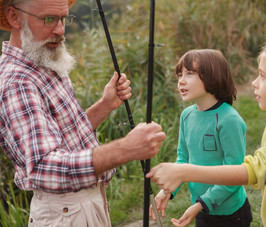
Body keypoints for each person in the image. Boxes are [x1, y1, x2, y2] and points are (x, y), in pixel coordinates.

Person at [147, 32, 266, 227]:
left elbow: (253, 171)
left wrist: (184, 172)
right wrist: (174, 183)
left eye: (262, 76)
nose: (254, 83)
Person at [0, 0, 166, 226]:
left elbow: (65, 137)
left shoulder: (43, 59)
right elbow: (44, 167)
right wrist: (125, 149)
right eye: (49, 19)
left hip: (80, 206)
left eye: (63, 19)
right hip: (64, 212)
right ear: (14, 17)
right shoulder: (18, 81)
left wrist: (104, 105)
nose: (60, 30)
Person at [149, 49, 252, 227]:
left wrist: (199, 204)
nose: (181, 80)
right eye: (180, 74)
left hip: (231, 214)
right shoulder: (187, 116)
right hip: (203, 208)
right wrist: (166, 191)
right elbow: (183, 158)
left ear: (212, 76)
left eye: (190, 74)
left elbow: (235, 175)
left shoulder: (229, 120)